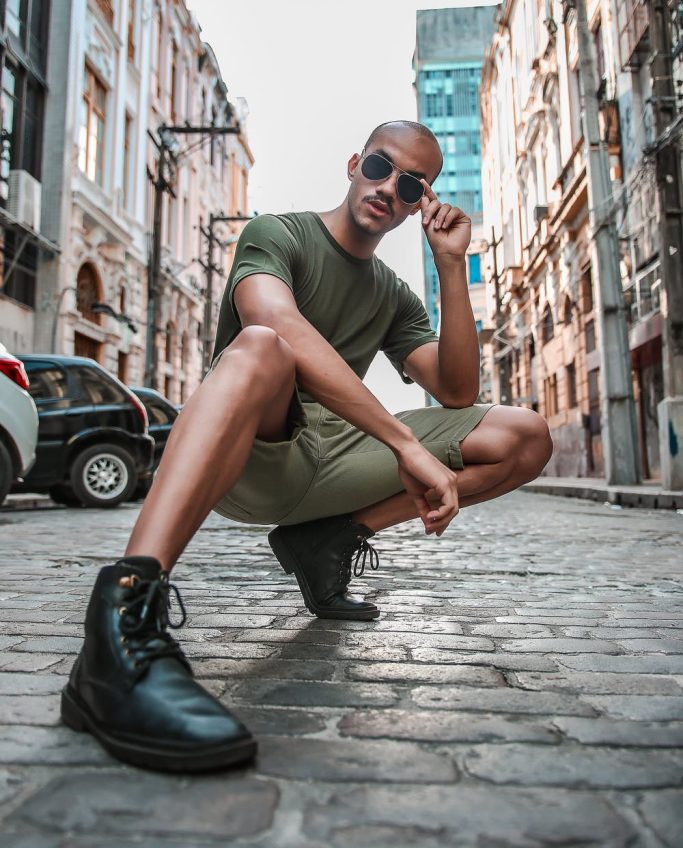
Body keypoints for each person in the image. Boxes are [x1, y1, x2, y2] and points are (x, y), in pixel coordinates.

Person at [61, 120, 552, 773]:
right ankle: (120, 624)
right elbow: (276, 323)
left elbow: (458, 390)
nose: (387, 187)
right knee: (264, 346)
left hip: (338, 461)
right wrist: (404, 442)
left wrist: (450, 268)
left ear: (418, 205)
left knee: (524, 435)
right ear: (354, 162)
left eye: (410, 184)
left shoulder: (392, 295)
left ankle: (330, 539)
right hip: (256, 454)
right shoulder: (277, 233)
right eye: (379, 166)